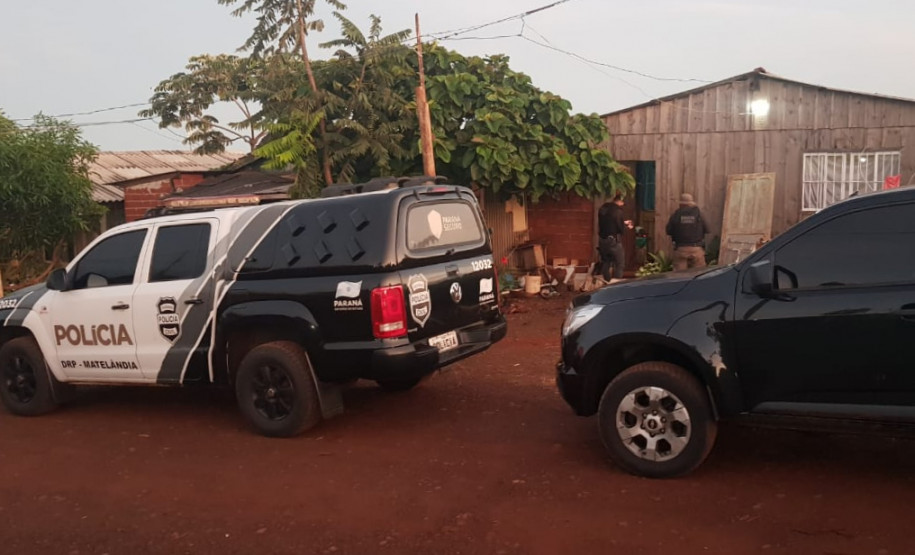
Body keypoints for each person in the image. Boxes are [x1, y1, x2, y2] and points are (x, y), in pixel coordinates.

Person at [666, 193, 710, 271]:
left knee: (679, 277)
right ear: (691, 203)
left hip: (681, 249)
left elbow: (668, 231)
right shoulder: (699, 214)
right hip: (696, 249)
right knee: (699, 275)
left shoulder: (676, 215)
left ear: (681, 204)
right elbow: (707, 229)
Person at [597, 193, 634, 282]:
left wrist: (623, 222)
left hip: (602, 240)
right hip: (613, 241)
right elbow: (620, 229)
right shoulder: (618, 211)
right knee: (620, 263)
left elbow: (609, 222)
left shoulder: (603, 208)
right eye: (622, 203)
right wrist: (628, 226)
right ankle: (615, 284)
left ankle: (606, 282)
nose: (622, 205)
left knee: (606, 262)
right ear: (620, 201)